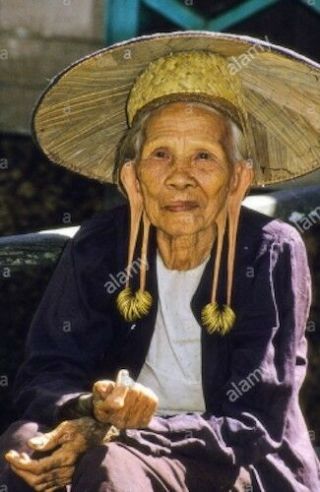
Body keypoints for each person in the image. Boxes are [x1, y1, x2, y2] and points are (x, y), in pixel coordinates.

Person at [1, 31, 320, 491]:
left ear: (238, 179)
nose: (180, 178)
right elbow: (44, 375)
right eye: (161, 155)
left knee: (109, 467)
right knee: (26, 446)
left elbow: (254, 424)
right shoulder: (98, 246)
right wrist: (90, 406)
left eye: (204, 157)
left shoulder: (271, 250)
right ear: (132, 177)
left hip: (231, 459)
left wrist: (120, 432)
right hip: (115, 438)